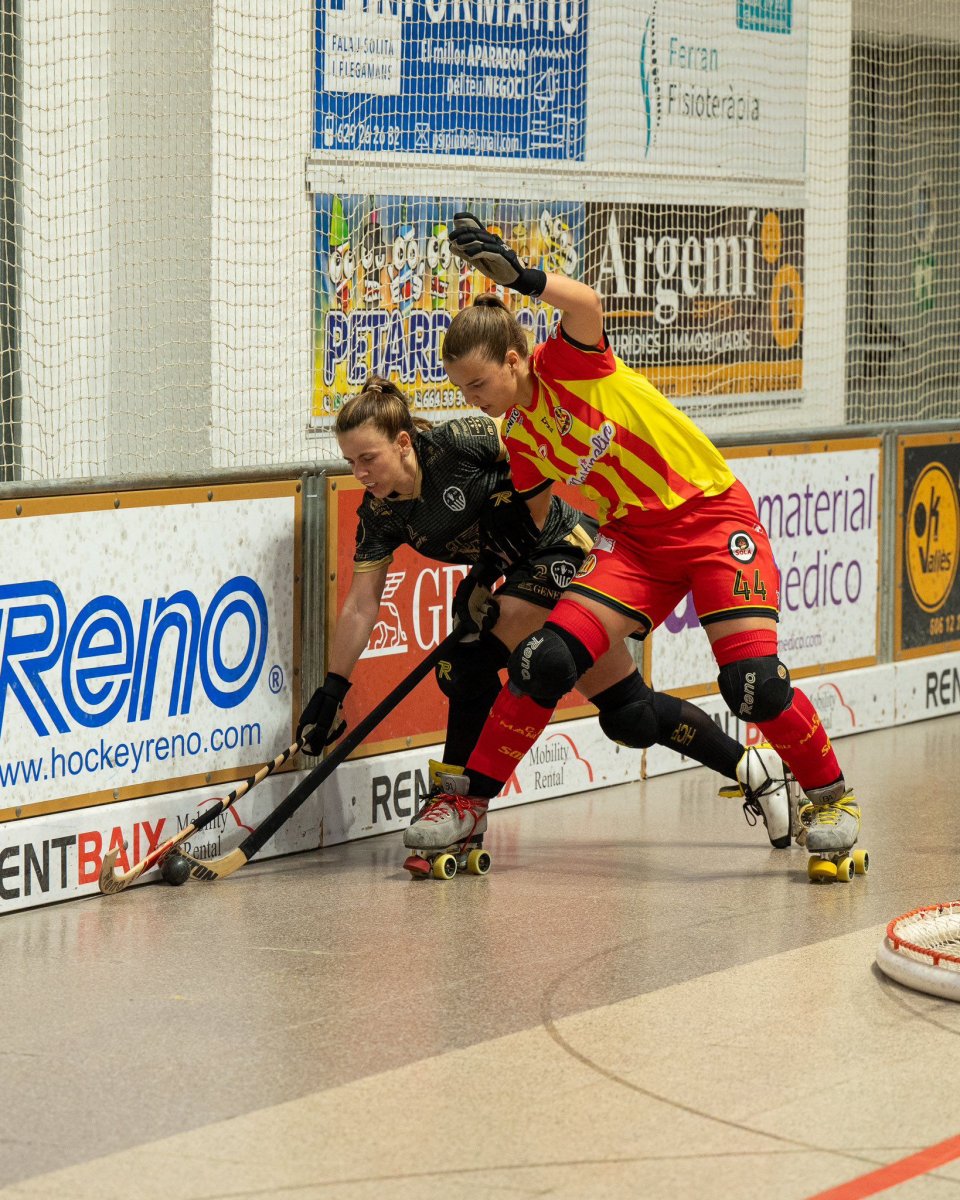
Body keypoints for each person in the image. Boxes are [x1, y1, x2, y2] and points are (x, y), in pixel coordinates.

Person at [403, 212, 861, 879]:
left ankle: (831, 798)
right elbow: (529, 522)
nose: (474, 401)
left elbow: (587, 304)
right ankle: (468, 803)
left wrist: (520, 275)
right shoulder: (521, 439)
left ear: (513, 360)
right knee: (543, 660)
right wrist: (489, 570)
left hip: (711, 518)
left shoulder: (568, 363)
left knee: (752, 686)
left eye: (478, 385)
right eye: (461, 391)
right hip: (637, 547)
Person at [297, 375, 791, 845]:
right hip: (511, 572)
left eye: (368, 458)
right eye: (350, 462)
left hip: (561, 549)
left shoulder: (457, 441)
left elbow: (532, 437)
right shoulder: (379, 514)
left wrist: (510, 510)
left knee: (465, 662)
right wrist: (333, 687)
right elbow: (361, 606)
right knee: (630, 715)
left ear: (403, 443)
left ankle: (460, 804)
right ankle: (754, 768)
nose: (359, 474)